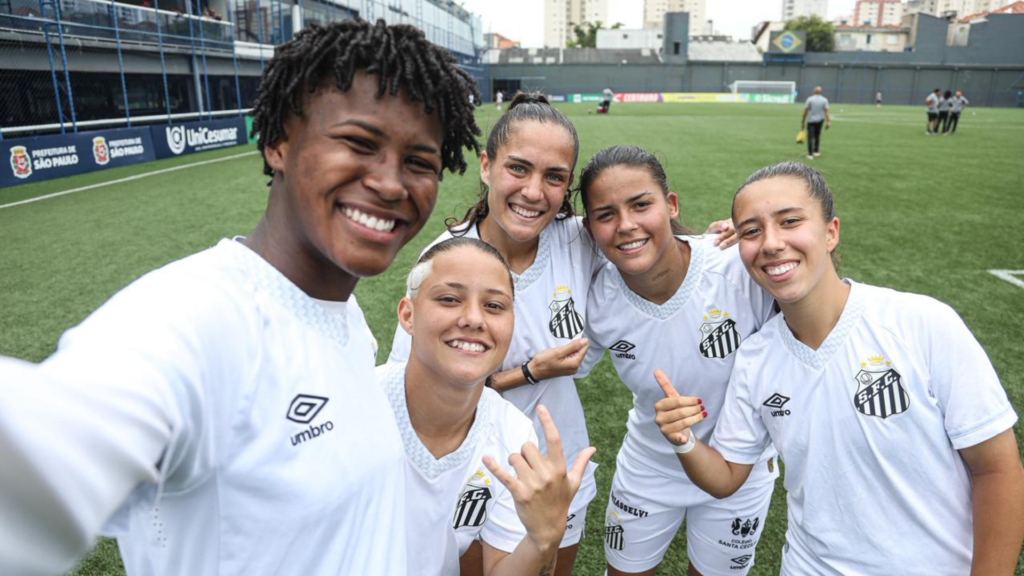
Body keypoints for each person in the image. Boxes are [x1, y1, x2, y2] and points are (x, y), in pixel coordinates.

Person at [0, 19, 481, 576]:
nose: (392, 183)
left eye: (419, 162)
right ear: (278, 142)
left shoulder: (341, 312)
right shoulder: (190, 319)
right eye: (358, 143)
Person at [388, 92, 737, 576]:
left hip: (557, 464)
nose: (534, 192)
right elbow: (409, 395)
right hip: (471, 471)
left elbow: (639, 239)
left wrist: (734, 238)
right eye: (519, 168)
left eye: (554, 177)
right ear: (487, 166)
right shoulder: (445, 263)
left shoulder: (578, 238)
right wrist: (528, 373)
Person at [654, 162, 1024, 575]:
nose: (771, 243)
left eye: (790, 221)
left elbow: (996, 467)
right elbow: (726, 476)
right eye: (752, 231)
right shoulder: (755, 357)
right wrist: (684, 440)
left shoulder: (921, 323)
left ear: (831, 232)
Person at [576, 146, 778, 576]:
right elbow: (561, 365)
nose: (626, 224)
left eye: (641, 205)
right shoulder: (597, 300)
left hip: (742, 469)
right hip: (651, 466)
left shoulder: (737, 267)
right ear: (589, 227)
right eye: (606, 214)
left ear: (671, 205)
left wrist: (754, 234)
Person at [379, 237, 595, 576]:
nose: (473, 319)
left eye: (494, 306)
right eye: (449, 299)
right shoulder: (351, 404)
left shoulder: (514, 435)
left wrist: (541, 539)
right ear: (408, 315)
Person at [800, 86, 829, 160]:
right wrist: (828, 121)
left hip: (811, 120)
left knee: (810, 137)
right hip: (820, 120)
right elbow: (826, 111)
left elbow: (806, 110)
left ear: (814, 91)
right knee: (817, 135)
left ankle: (810, 154)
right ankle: (816, 152)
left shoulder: (810, 99)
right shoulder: (824, 100)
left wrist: (803, 120)